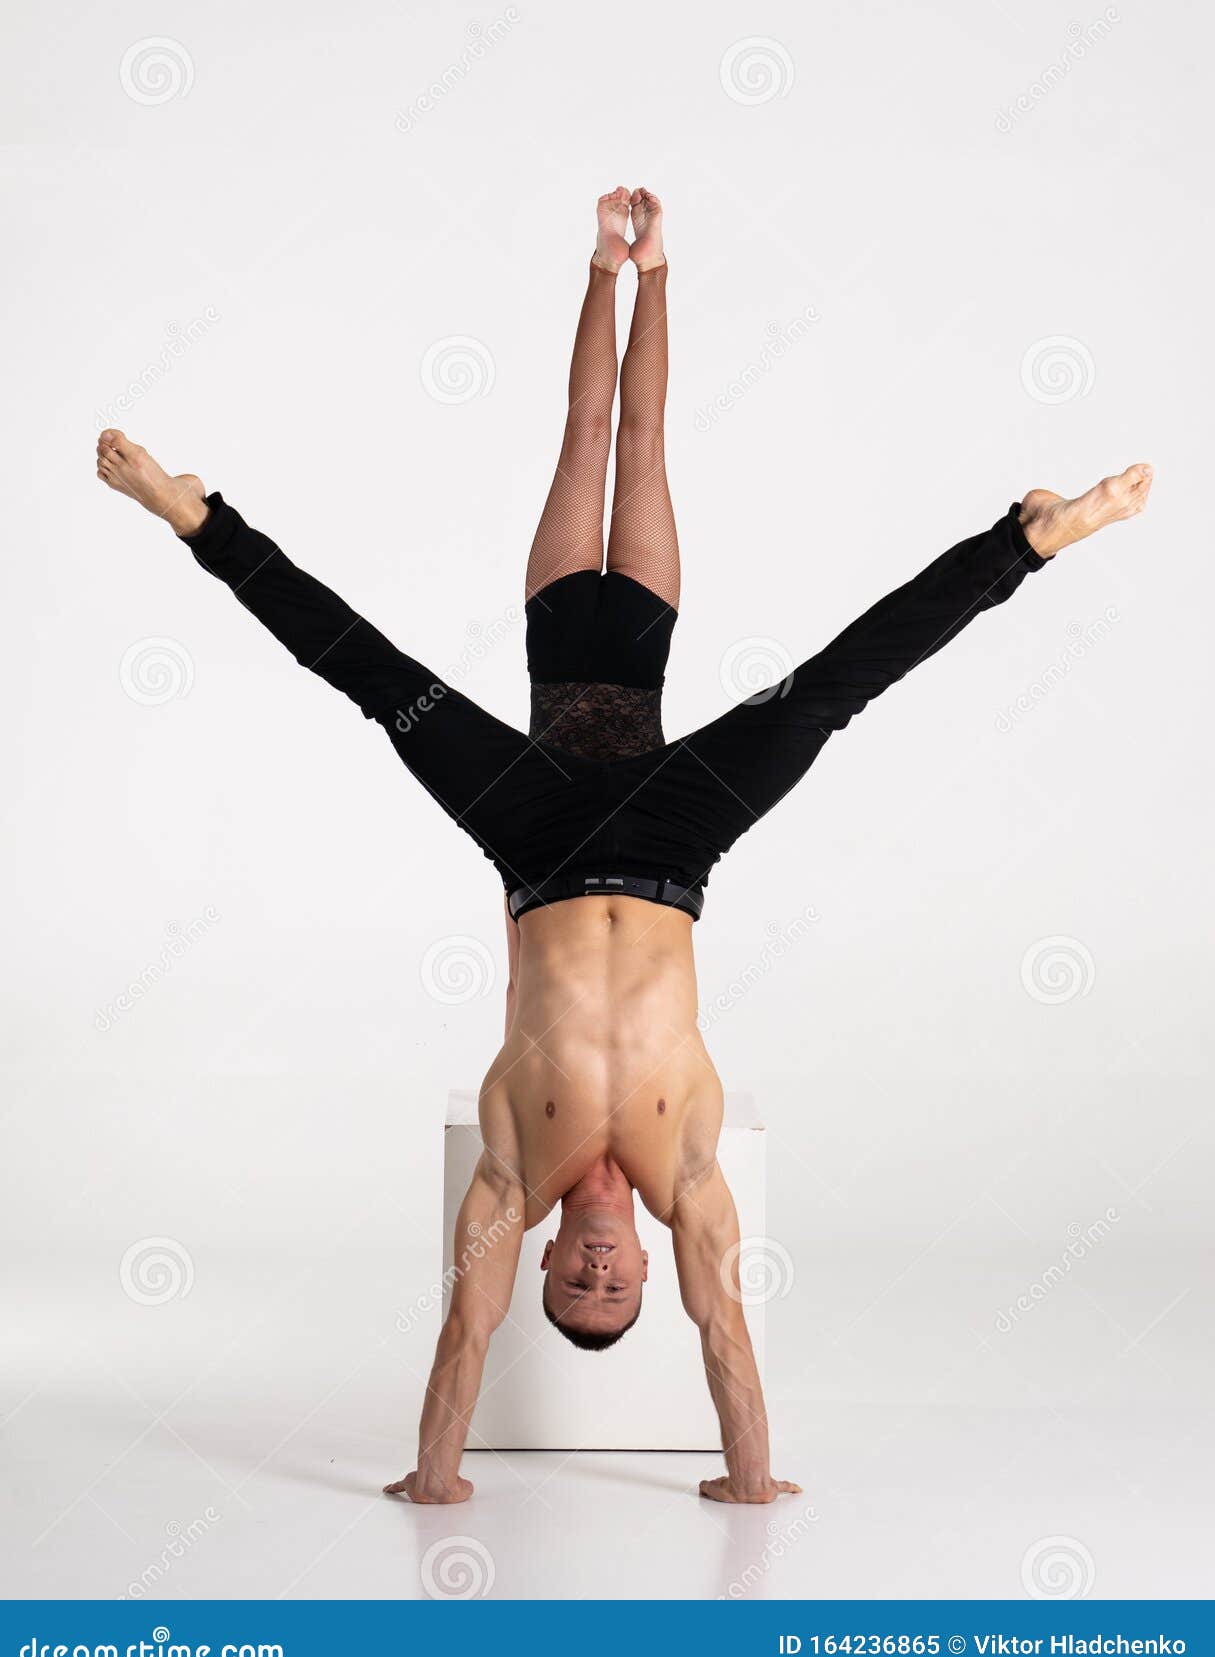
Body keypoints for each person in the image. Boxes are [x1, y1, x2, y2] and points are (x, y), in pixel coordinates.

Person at [96, 186, 1152, 1505]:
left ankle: (203, 516)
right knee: (820, 689)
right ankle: (1030, 536)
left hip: (536, 824)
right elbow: (730, 1341)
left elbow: (462, 1336)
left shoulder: (505, 1171)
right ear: (647, 1259)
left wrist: (436, 1483)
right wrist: (749, 1486)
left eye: (576, 1284)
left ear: (543, 1259)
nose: (597, 1270)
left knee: (383, 675)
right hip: (669, 837)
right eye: (617, 1284)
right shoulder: (691, 1169)